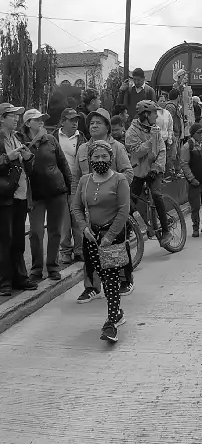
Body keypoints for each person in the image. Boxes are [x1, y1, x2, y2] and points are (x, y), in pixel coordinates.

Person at [71, 141, 130, 343]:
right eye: (96, 157)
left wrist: (109, 236)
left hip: (111, 238)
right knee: (104, 278)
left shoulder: (119, 180)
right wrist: (84, 228)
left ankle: (111, 323)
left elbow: (124, 211)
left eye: (104, 156)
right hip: (91, 238)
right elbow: (76, 207)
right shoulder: (84, 181)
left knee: (112, 279)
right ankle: (118, 311)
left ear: (111, 158)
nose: (100, 160)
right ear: (90, 159)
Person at [75, 108, 135, 303]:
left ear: (107, 127)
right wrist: (75, 201)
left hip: (113, 207)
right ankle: (92, 286)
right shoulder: (84, 149)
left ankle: (125, 279)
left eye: (98, 123)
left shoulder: (116, 147)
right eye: (91, 123)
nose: (93, 126)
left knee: (117, 245)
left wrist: (113, 187)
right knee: (89, 249)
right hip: (89, 208)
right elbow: (77, 178)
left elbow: (128, 172)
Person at [20, 109, 71, 283]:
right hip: (36, 195)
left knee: (55, 231)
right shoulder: (22, 142)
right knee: (36, 232)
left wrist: (70, 188)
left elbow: (63, 163)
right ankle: (36, 269)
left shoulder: (51, 139)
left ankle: (53, 267)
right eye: (37, 119)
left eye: (43, 119)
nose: (42, 121)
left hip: (57, 191)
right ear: (28, 123)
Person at [0, 103, 36, 296]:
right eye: (12, 116)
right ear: (2, 118)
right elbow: (6, 162)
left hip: (20, 196)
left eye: (16, 116)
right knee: (5, 241)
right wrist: (8, 157)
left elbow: (26, 168)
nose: (16, 119)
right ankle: (4, 281)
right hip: (5, 197)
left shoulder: (16, 137)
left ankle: (20, 277)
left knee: (18, 241)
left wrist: (28, 158)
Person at [125, 100, 171, 245]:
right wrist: (151, 140)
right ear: (145, 114)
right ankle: (126, 232)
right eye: (154, 113)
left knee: (157, 195)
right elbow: (136, 152)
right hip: (138, 172)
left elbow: (162, 151)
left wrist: (156, 168)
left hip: (154, 170)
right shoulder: (131, 131)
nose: (156, 117)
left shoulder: (155, 128)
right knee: (129, 202)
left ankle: (166, 231)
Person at [56, 107, 87, 265]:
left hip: (77, 183)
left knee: (77, 217)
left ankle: (79, 249)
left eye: (76, 120)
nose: (75, 123)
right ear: (63, 121)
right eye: (71, 120)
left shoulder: (81, 137)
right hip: (60, 184)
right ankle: (65, 251)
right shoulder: (54, 137)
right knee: (64, 221)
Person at [180, 123, 202, 238]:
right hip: (195, 183)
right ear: (193, 134)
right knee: (195, 207)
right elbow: (184, 164)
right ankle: (195, 228)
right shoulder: (187, 146)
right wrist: (192, 179)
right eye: (199, 132)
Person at [156, 93, 176, 180]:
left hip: (165, 139)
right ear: (156, 102)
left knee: (165, 158)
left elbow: (170, 127)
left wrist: (169, 139)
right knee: (157, 159)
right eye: (161, 101)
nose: (163, 103)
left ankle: (163, 176)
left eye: (164, 101)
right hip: (156, 140)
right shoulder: (153, 113)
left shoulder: (167, 113)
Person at [164, 89, 183, 176]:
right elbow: (168, 121)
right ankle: (170, 172)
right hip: (173, 134)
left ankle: (176, 171)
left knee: (177, 153)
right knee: (172, 154)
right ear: (178, 96)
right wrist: (171, 135)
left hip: (176, 133)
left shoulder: (174, 106)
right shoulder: (170, 107)